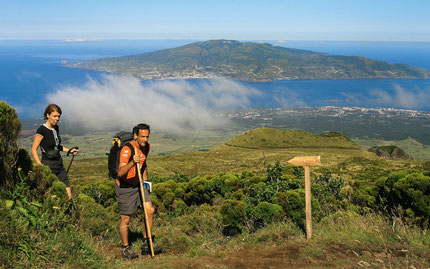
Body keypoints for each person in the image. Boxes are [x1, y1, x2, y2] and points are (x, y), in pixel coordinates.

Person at [116, 123, 161, 259]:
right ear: (135, 136)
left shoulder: (146, 146)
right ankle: (125, 247)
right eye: (142, 136)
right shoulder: (127, 149)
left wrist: (145, 182)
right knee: (126, 218)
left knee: (150, 210)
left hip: (139, 184)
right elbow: (120, 172)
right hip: (125, 187)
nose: (145, 139)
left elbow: (144, 164)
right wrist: (132, 163)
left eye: (147, 136)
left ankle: (146, 242)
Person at [31, 104, 78, 201]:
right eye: (54, 116)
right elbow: (33, 149)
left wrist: (69, 150)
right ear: (48, 115)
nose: (57, 119)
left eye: (58, 116)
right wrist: (41, 167)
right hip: (48, 165)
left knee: (68, 195)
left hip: (59, 165)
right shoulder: (42, 130)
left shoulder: (56, 128)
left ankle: (65, 214)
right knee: (51, 196)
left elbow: (56, 146)